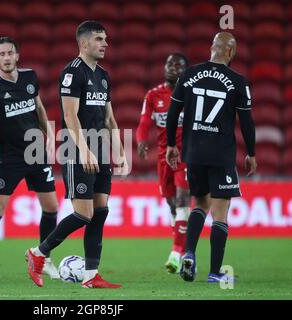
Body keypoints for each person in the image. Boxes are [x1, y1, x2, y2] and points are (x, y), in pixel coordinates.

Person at [26, 20, 128, 288]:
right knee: (83, 214)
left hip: (100, 149)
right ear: (84, 43)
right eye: (99, 39)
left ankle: (91, 276)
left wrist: (119, 151)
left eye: (105, 39)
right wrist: (84, 151)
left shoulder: (103, 76)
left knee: (101, 211)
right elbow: (70, 116)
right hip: (77, 149)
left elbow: (110, 118)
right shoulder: (72, 73)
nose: (105, 43)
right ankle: (37, 253)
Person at [0, 37, 60, 282]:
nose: (6, 58)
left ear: (17, 56)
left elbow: (38, 108)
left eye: (10, 53)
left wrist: (48, 133)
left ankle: (43, 258)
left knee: (51, 207)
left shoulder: (30, 78)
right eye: (1, 54)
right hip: (11, 156)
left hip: (36, 151)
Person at [166, 32, 257, 283]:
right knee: (220, 213)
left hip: (193, 152)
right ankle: (215, 273)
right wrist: (251, 152)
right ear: (231, 52)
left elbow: (173, 113)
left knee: (199, 204)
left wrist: (172, 144)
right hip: (221, 154)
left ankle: (190, 254)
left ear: (212, 48)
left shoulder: (189, 74)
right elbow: (246, 123)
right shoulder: (239, 82)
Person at [136, 53, 191, 274]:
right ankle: (183, 248)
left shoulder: (191, 94)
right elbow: (144, 121)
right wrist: (141, 141)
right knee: (171, 205)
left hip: (186, 155)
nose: (172, 68)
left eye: (178, 65)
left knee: (182, 199)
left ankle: (176, 251)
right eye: (169, 64)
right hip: (163, 156)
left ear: (185, 71)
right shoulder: (153, 95)